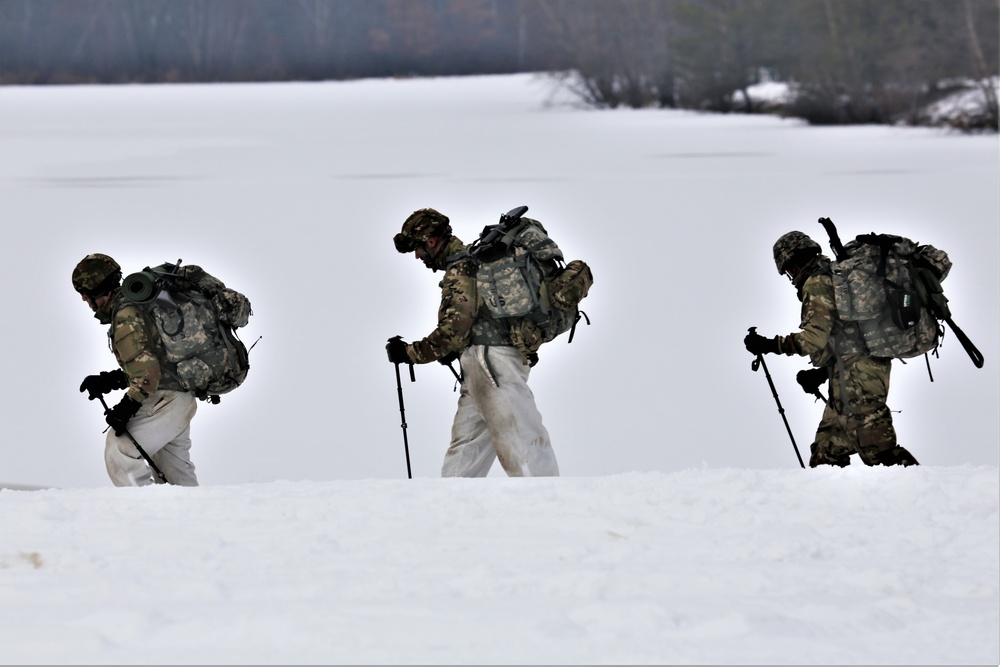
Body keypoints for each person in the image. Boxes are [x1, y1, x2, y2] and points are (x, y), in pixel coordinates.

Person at [386, 208, 559, 477]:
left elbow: (454, 329)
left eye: (418, 248)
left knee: (521, 441)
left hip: (490, 362)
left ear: (431, 241)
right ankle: (451, 510)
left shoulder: (461, 269)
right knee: (464, 453)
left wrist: (410, 353)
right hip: (481, 365)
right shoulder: (470, 264)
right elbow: (467, 326)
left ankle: (547, 504)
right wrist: (454, 349)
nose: (418, 256)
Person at [743, 231, 919, 468]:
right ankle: (828, 504)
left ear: (796, 261)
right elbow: (847, 336)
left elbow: (813, 339)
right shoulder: (835, 278)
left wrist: (771, 345)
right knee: (826, 453)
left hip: (858, 378)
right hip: (849, 375)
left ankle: (927, 496)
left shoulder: (817, 282)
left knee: (880, 451)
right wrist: (824, 373)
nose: (792, 277)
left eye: (790, 270)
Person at [72, 253, 199, 486]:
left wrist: (125, 409)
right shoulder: (138, 305)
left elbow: (148, 375)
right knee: (176, 478)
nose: (83, 299)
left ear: (96, 290)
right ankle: (190, 519)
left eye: (84, 292)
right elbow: (154, 360)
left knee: (118, 453)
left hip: (164, 399)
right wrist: (110, 380)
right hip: (178, 397)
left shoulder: (125, 315)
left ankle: (143, 517)